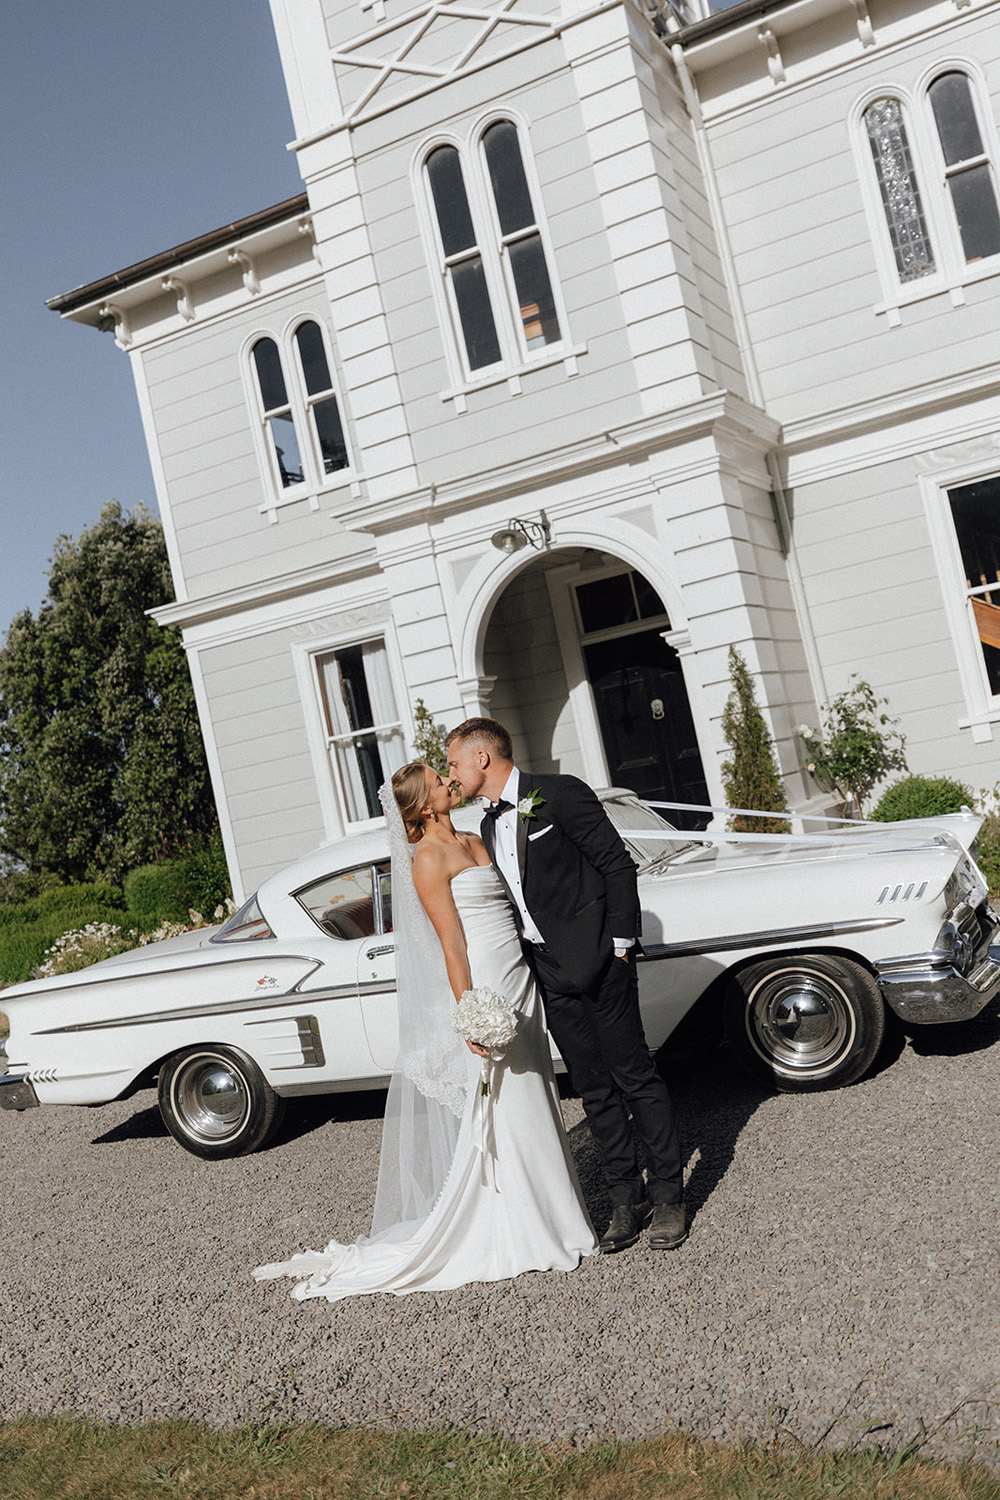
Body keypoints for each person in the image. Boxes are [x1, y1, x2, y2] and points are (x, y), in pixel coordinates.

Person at [252, 762, 596, 1301]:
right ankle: (527, 1228)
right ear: (422, 805)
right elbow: (451, 944)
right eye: (439, 780)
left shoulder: (472, 835)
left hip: (520, 973)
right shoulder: (428, 859)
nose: (448, 782)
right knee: (507, 1103)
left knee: (539, 1093)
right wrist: (471, 1010)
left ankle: (558, 1215)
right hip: (486, 978)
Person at [446, 718, 687, 1252]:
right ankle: (628, 1199)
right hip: (548, 973)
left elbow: (615, 865)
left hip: (603, 961)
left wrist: (622, 945)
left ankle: (670, 1195)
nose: (452, 774)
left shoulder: (559, 794)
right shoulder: (486, 826)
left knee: (635, 1076)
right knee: (594, 1089)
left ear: (482, 758)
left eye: (454, 763)